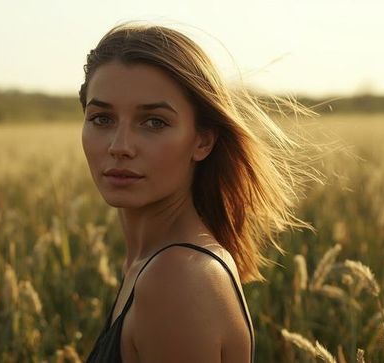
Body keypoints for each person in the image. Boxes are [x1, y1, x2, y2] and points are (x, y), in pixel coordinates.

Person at [79, 21, 326, 363]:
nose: (120, 146)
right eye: (102, 119)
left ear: (202, 140)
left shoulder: (175, 278)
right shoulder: (156, 263)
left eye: (154, 122)